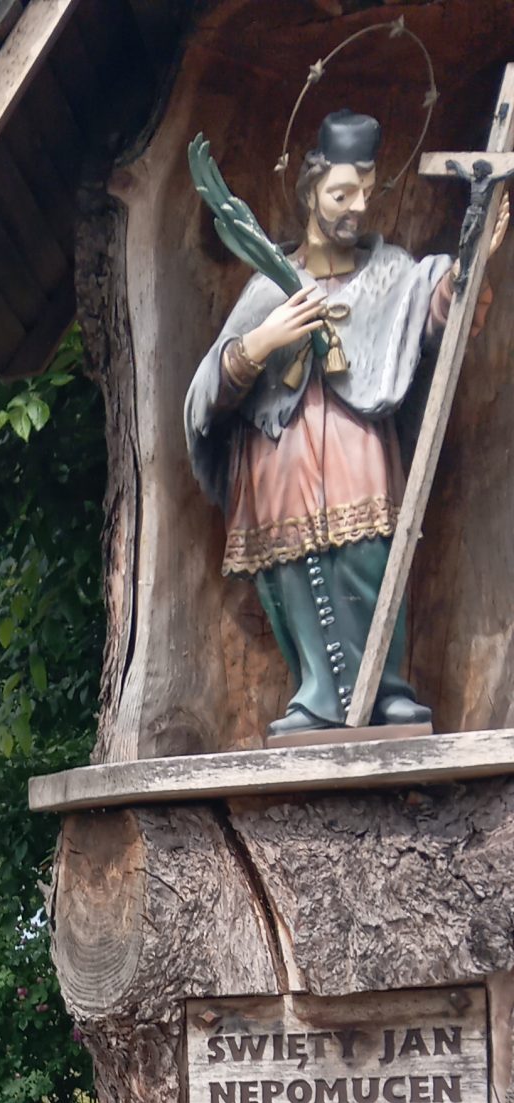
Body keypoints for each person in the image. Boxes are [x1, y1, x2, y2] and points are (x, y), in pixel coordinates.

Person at [185, 106, 509, 736]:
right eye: (341, 194)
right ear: (310, 192)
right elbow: (207, 394)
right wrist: (262, 341)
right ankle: (318, 697)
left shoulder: (389, 273)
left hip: (358, 445)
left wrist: (465, 268)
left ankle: (384, 689)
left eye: (366, 192)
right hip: (280, 453)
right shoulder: (270, 286)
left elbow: (432, 306)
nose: (356, 207)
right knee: (296, 571)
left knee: (369, 555)